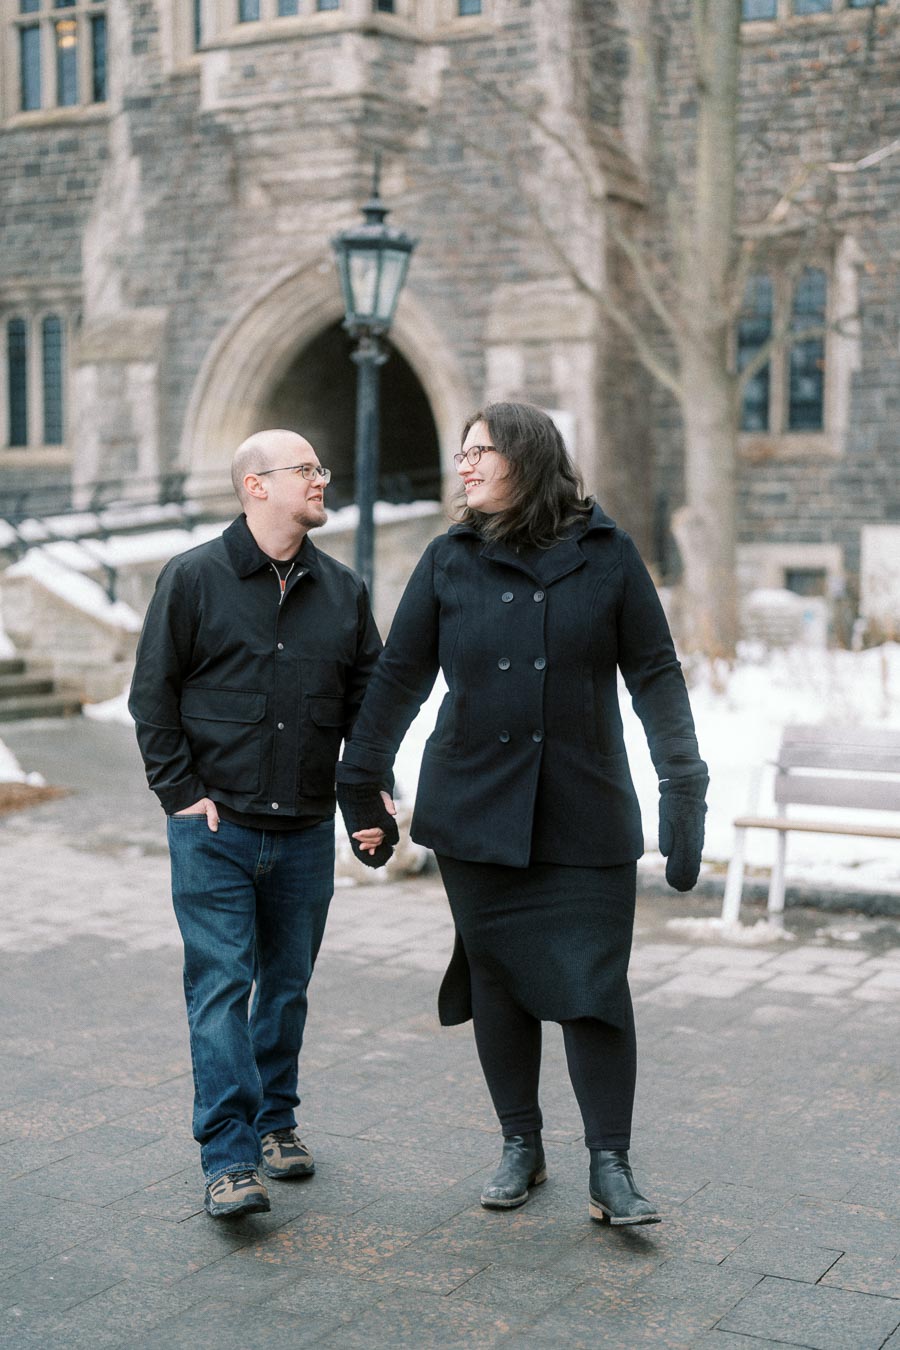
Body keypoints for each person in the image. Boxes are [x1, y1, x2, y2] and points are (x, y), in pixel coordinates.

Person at [336, 402, 707, 1226]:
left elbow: (655, 675)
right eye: (462, 453)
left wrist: (683, 783)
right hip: (477, 810)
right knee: (497, 980)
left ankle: (610, 1164)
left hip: (585, 808)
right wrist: (362, 776)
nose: (463, 465)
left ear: (528, 457)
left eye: (480, 451)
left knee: (593, 989)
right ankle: (520, 1144)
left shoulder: (607, 557)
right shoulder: (449, 558)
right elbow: (400, 677)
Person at [129, 428, 396, 1219]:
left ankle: (276, 1121)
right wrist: (180, 795)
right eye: (306, 469)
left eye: (321, 466)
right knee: (220, 989)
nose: (321, 479)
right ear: (256, 486)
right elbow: (153, 698)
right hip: (216, 830)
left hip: (306, 833)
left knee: (285, 990)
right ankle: (229, 1157)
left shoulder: (342, 591)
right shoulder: (193, 580)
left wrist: (365, 807)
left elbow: (366, 711)